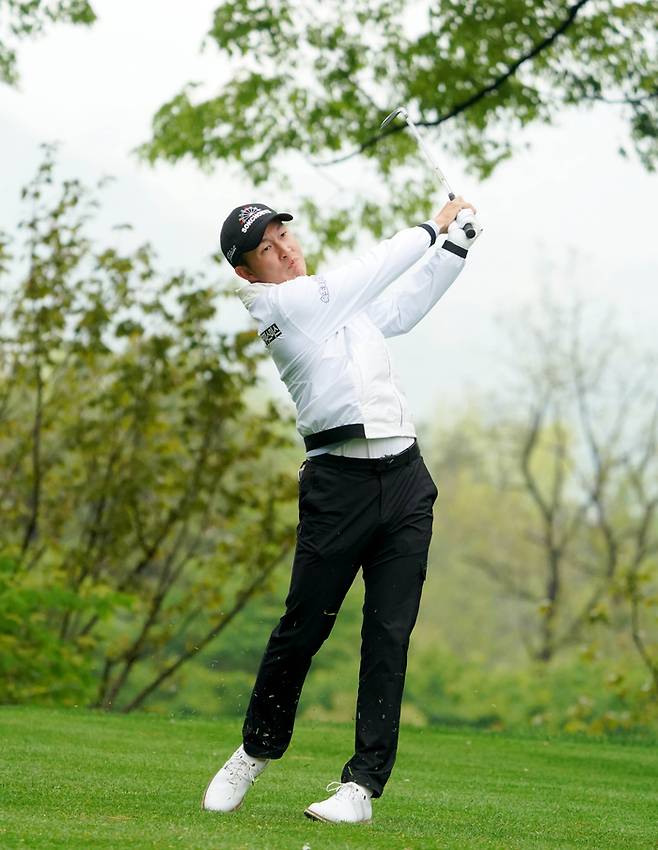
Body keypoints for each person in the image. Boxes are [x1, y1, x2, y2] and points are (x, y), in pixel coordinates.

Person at [202, 198, 482, 824]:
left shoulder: (339, 306)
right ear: (247, 273)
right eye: (267, 249)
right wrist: (430, 228)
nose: (285, 249)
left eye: (283, 235)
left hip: (406, 479)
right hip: (338, 487)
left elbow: (403, 306)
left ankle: (361, 787)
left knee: (388, 636)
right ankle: (255, 749)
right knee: (305, 625)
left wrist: (456, 245)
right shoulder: (280, 306)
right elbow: (372, 273)